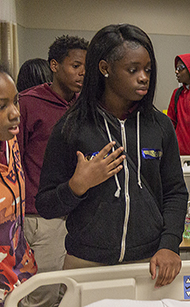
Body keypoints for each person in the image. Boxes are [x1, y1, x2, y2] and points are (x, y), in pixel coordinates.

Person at [35, 24, 188, 288]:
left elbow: (175, 192)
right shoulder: (72, 127)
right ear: (104, 68)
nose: (143, 77)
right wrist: (77, 185)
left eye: (148, 70)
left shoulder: (160, 127)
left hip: (150, 262)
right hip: (86, 264)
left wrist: (170, 244)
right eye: (133, 70)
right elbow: (46, 205)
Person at [17, 35, 88, 306]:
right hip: (40, 216)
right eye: (75, 65)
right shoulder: (28, 103)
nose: (82, 72)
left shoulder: (84, 106)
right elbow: (15, 158)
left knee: (68, 294)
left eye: (86, 66)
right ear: (55, 66)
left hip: (77, 212)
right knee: (42, 295)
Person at [0, 66, 38, 304]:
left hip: (18, 273)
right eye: (1, 106)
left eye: (15, 102)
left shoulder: (10, 143)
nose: (15, 113)